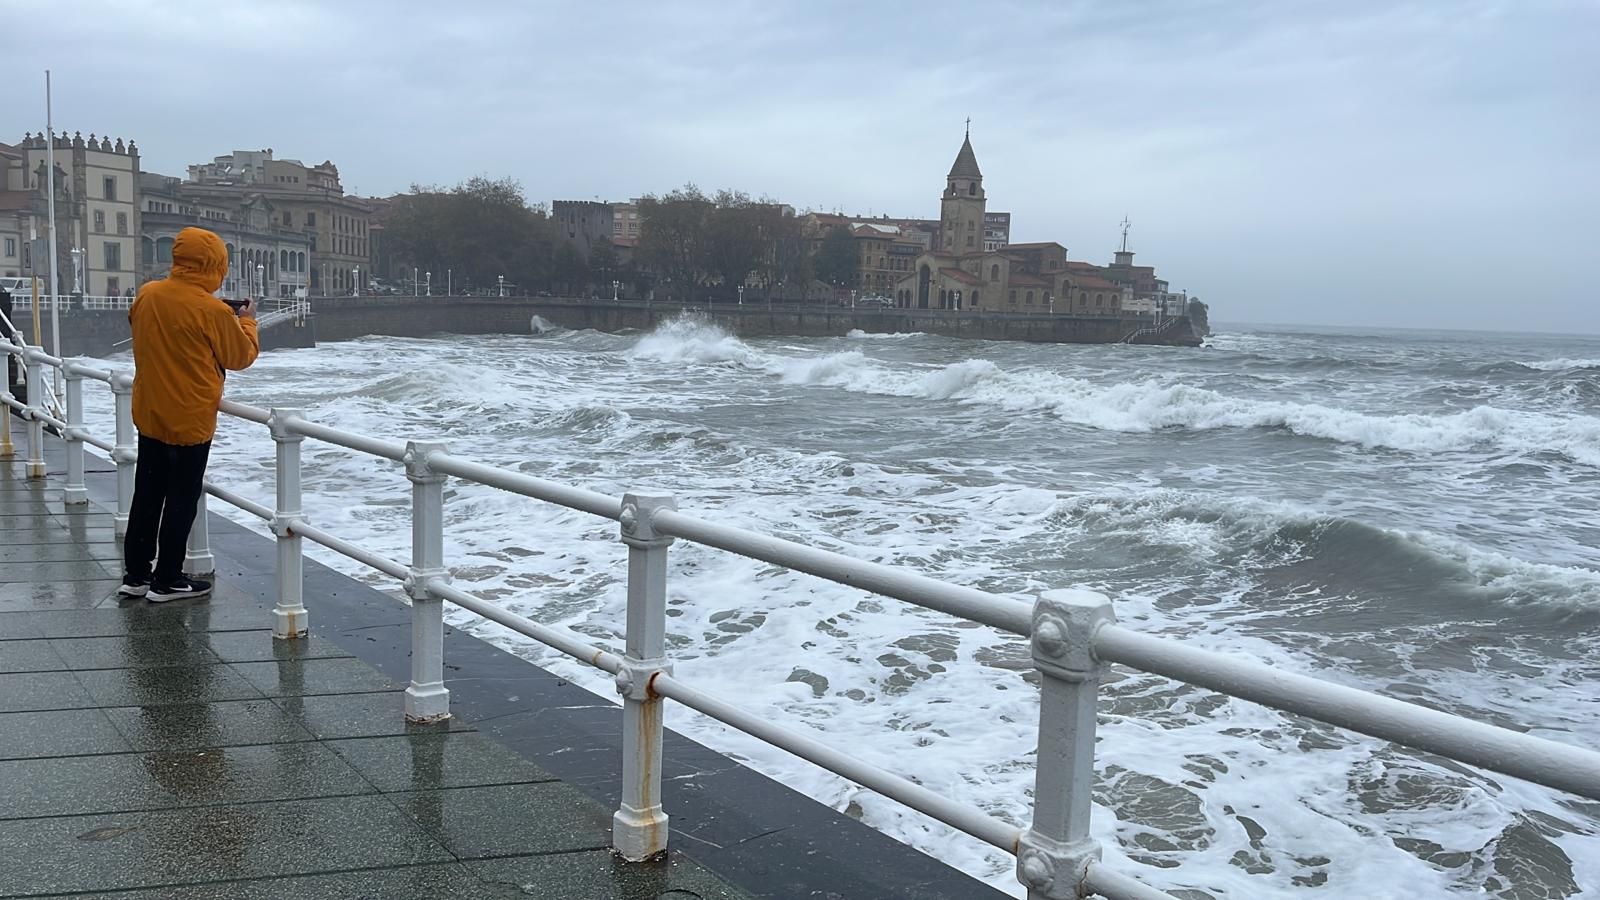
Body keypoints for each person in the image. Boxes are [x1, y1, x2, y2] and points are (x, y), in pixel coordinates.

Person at [119, 227, 259, 602]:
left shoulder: (149, 293)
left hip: (150, 410)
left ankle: (135, 576)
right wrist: (246, 320)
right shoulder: (212, 309)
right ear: (215, 265)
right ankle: (168, 579)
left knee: (147, 494)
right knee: (181, 498)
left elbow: (141, 324)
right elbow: (240, 356)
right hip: (190, 417)